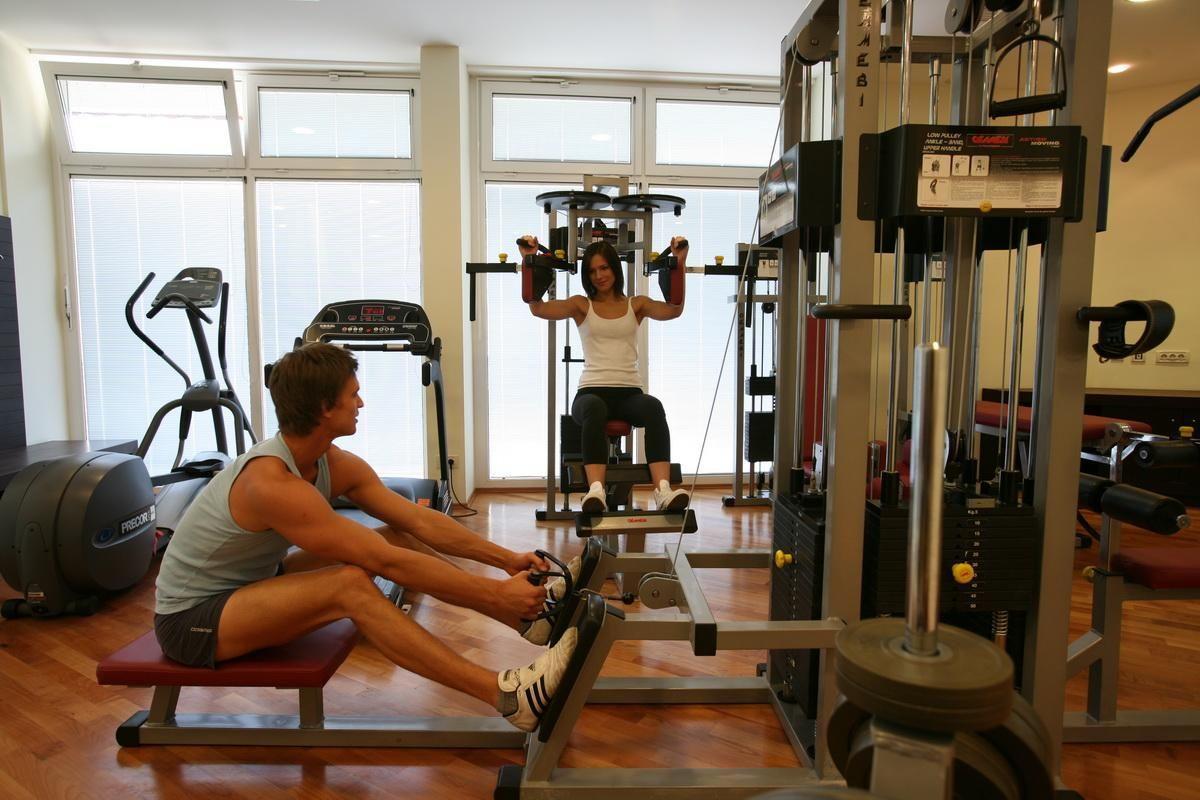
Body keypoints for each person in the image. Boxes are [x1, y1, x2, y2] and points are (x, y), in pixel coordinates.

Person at [153, 343, 578, 732]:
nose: (361, 403)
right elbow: (383, 563)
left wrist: (506, 559)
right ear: (324, 407)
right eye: (353, 394)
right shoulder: (270, 483)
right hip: (192, 619)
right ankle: (509, 697)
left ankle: (526, 621)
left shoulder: (328, 462)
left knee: (394, 537)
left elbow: (417, 521)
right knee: (350, 584)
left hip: (255, 582)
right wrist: (494, 594)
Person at [519, 235, 690, 513]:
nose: (599, 276)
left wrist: (679, 262)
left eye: (604, 268)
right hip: (590, 393)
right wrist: (529, 260)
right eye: (592, 271)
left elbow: (674, 310)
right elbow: (537, 308)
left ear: (614, 268)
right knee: (595, 409)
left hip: (629, 394)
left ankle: (663, 491)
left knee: (653, 407)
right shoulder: (581, 305)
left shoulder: (637, 305)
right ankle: (595, 491)